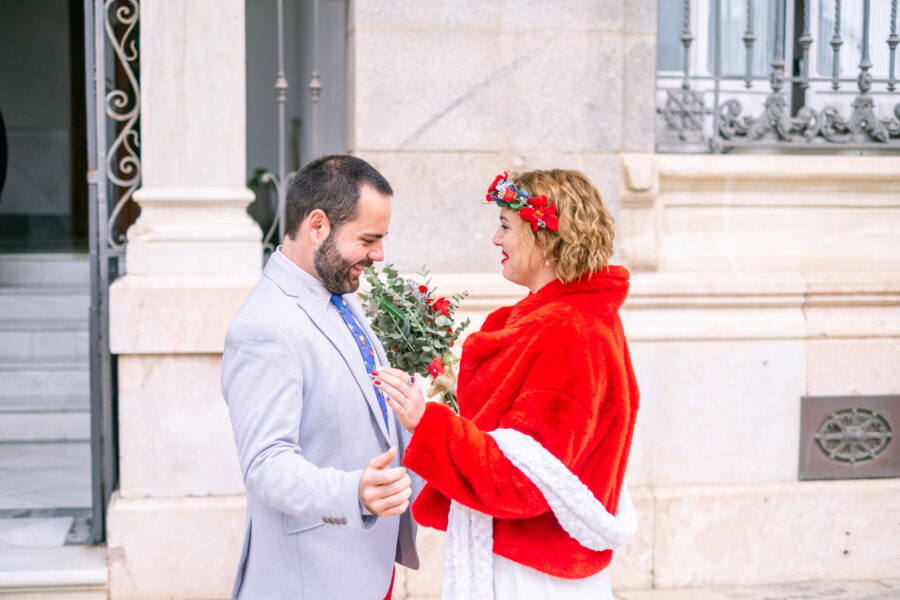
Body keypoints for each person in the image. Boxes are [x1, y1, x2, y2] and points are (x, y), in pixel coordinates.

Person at [374, 168, 639, 600]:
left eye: (504, 226)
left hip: (530, 575)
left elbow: (523, 479)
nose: (495, 240)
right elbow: (531, 446)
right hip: (535, 564)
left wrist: (427, 422)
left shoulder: (567, 330)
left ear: (544, 236)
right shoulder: (571, 319)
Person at [222, 155, 419, 600]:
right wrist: (354, 492)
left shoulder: (335, 292)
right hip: (313, 579)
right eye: (369, 239)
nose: (379, 255)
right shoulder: (264, 327)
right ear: (318, 226)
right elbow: (265, 464)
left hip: (365, 567)